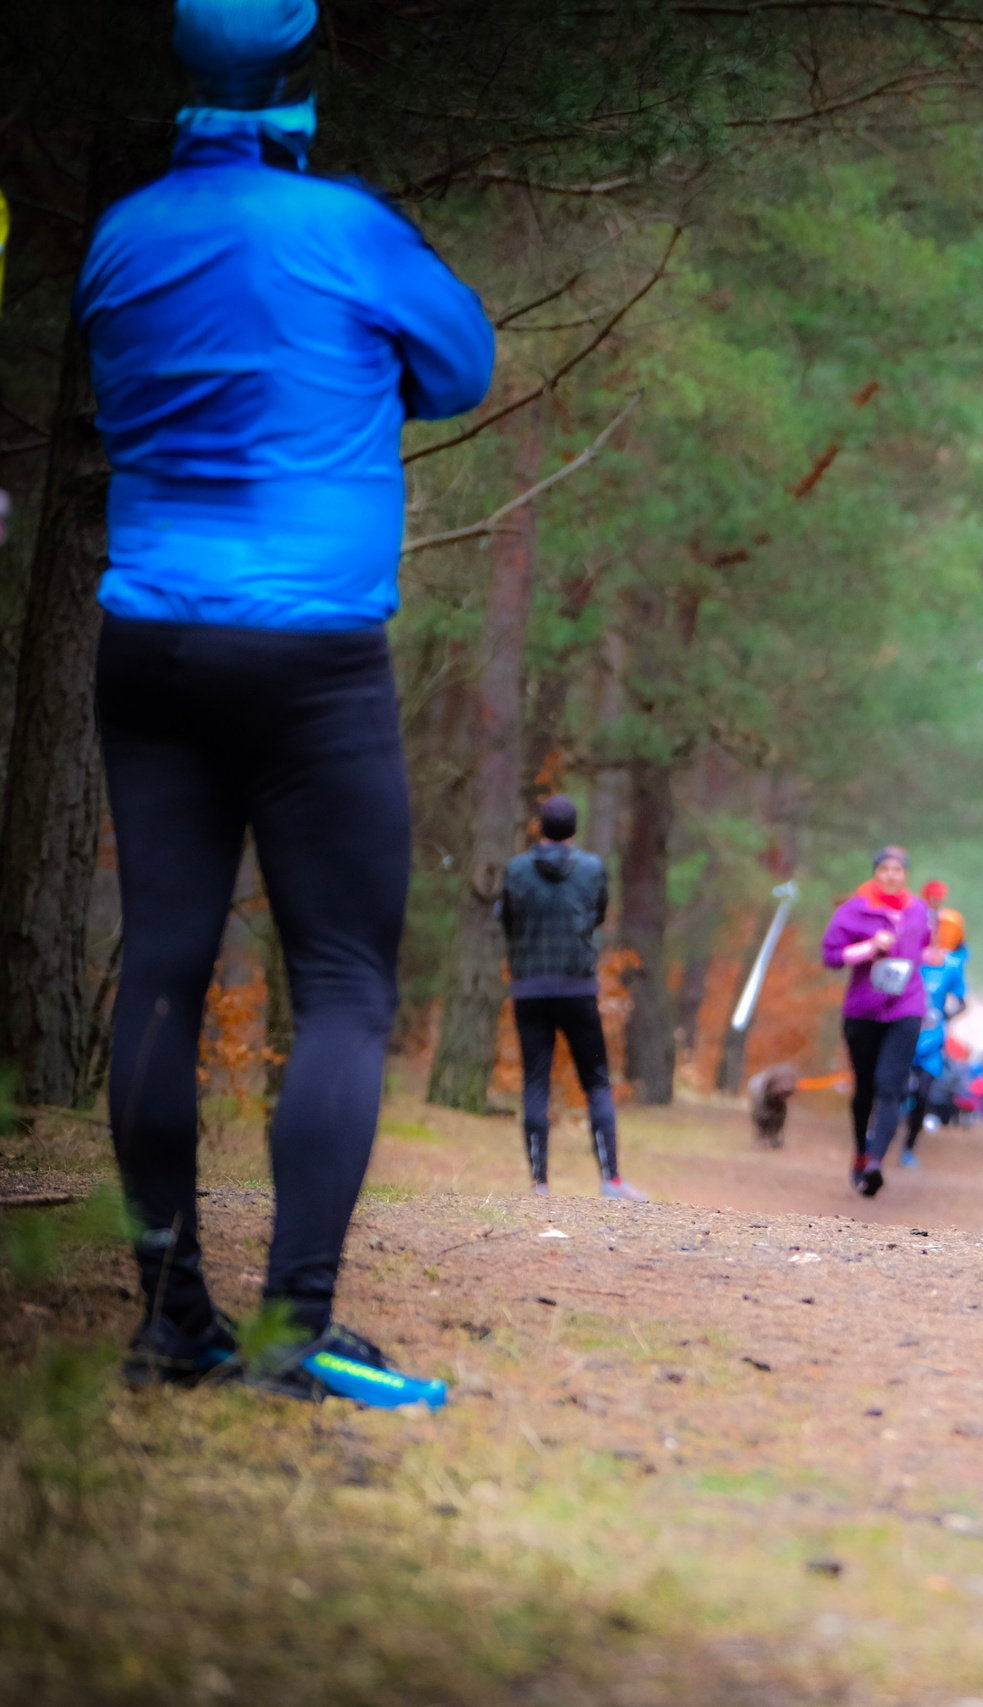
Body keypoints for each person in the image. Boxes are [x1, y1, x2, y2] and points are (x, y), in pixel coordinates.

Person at [87, 0, 493, 1408]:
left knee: (161, 965)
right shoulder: (348, 230)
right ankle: (286, 1335)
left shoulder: (119, 235)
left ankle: (169, 1322)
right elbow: (462, 368)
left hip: (147, 640)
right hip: (311, 655)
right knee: (343, 984)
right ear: (302, 89)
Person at [500, 795, 646, 1201]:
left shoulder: (516, 870)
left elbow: (508, 921)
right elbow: (597, 915)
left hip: (530, 989)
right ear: (574, 829)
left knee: (535, 1082)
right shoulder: (592, 868)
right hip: (578, 989)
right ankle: (611, 1180)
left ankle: (539, 1183)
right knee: (596, 1081)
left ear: (540, 826)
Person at [823, 846, 936, 1197]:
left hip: (906, 1007)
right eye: (885, 868)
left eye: (897, 869)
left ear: (905, 875)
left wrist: (931, 956)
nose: (891, 875)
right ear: (875, 872)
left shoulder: (919, 910)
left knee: (891, 1086)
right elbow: (832, 956)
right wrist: (871, 947)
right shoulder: (854, 910)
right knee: (866, 1088)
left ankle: (874, 1162)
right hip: (862, 1010)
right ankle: (861, 1151)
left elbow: (923, 946)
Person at [899, 892, 968, 1165]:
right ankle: (878, 1135)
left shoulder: (952, 967)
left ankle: (909, 1148)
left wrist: (944, 1016)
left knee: (923, 1095)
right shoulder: (912, 958)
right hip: (903, 1034)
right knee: (894, 1090)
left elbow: (962, 1002)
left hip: (932, 1042)